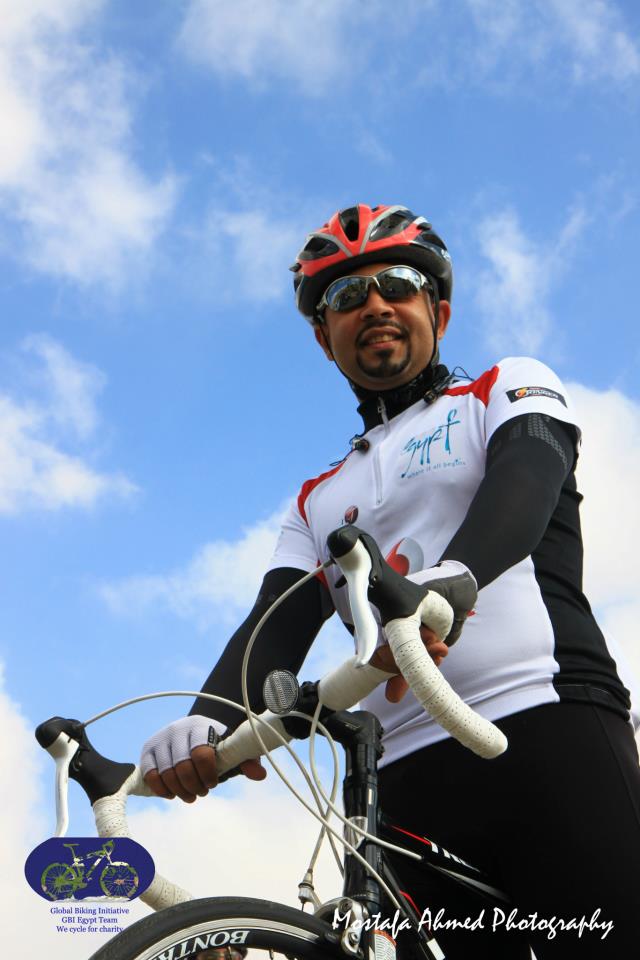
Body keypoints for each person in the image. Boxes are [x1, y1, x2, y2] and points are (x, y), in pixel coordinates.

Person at [140, 204, 640, 958]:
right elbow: (274, 622)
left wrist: (447, 587)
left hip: (541, 719)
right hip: (394, 773)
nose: (374, 303)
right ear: (325, 337)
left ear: (438, 311)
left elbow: (529, 477)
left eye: (398, 284)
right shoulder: (316, 499)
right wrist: (207, 721)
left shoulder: (504, 387)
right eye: (347, 296)